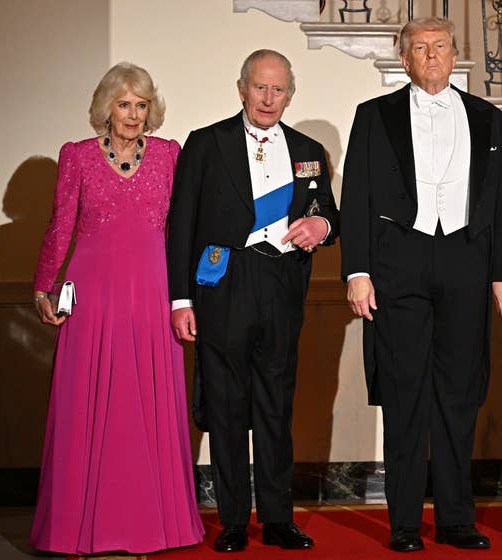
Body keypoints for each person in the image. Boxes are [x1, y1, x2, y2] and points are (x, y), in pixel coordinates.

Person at [341, 17, 502, 553]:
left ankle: (456, 520)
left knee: (459, 395)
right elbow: (356, 196)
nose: (431, 55)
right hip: (398, 262)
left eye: (440, 46)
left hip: (467, 261)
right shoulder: (374, 115)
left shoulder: (489, 118)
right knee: (404, 395)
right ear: (405, 60)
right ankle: (403, 522)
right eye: (419, 48)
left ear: (454, 54)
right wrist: (357, 271)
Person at [167, 49, 339, 553]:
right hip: (224, 284)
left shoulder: (308, 150)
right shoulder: (207, 143)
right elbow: (182, 227)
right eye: (259, 87)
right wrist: (180, 299)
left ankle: (279, 519)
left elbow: (327, 212)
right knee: (225, 406)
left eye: (278, 89)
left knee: (275, 407)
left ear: (290, 94)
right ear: (242, 89)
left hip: (282, 286)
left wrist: (321, 224)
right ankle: (234, 522)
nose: (268, 98)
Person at [30, 62, 204, 554]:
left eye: (141, 105)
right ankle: (76, 528)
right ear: (106, 108)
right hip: (92, 293)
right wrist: (44, 288)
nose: (132, 114)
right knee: (85, 403)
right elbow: (60, 225)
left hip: (151, 291)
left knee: (146, 403)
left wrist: (187, 294)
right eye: (124, 104)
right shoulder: (78, 156)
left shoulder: (169, 154)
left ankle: (157, 525)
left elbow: (181, 229)